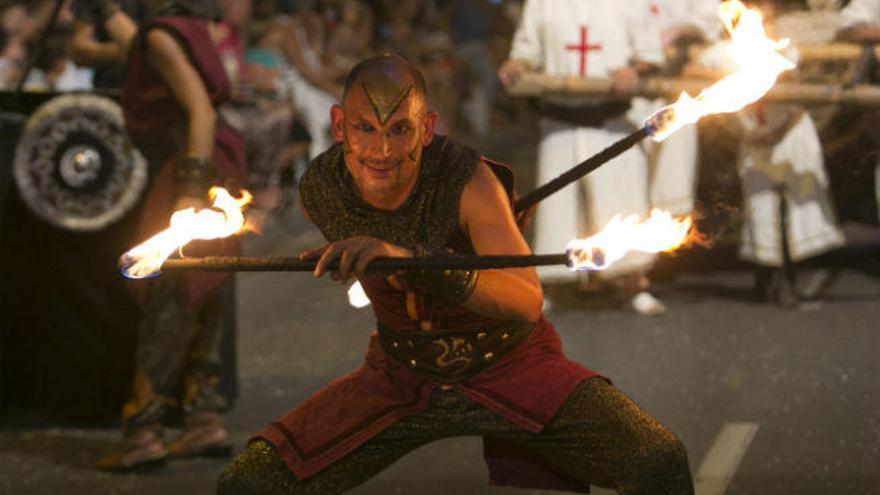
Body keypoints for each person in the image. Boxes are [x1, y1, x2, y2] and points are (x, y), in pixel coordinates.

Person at [217, 54, 693, 495]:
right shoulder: (321, 188)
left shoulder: (468, 181)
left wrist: (415, 261)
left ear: (426, 129)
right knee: (251, 482)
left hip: (509, 362)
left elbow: (525, 299)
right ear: (339, 125)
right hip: (402, 370)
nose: (380, 150)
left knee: (657, 460)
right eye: (365, 128)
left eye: (399, 130)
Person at [95, 0, 246, 471]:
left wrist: (187, 192)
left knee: (171, 293)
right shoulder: (185, 29)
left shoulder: (162, 36)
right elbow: (136, 49)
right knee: (204, 291)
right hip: (215, 166)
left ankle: (143, 430)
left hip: (191, 167)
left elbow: (200, 110)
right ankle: (204, 421)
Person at [498, 0, 669, 316]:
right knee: (556, 210)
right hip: (559, 120)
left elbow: (650, 55)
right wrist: (518, 64)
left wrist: (636, 71)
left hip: (612, 120)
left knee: (622, 202)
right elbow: (527, 49)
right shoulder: (542, 4)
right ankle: (549, 287)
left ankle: (634, 284)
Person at [686, 2, 845, 306]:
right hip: (753, 134)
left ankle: (792, 279)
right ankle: (766, 279)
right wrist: (742, 124)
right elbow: (696, 70)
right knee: (761, 207)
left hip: (789, 132)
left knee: (800, 207)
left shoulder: (784, 50)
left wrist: (780, 129)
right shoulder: (724, 52)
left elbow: (796, 92)